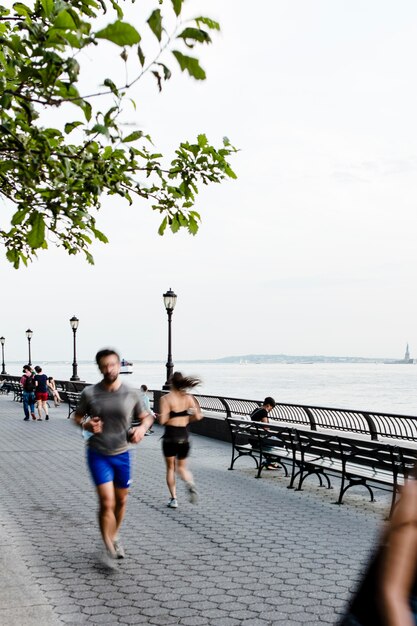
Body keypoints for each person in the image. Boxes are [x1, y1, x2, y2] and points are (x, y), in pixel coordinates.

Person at [73, 348, 154, 567]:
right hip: (98, 453)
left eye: (112, 365)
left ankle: (114, 534)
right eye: (104, 366)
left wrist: (141, 429)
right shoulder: (90, 393)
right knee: (106, 501)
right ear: (99, 367)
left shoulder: (132, 393)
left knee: (121, 500)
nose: (109, 369)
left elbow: (147, 417)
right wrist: (85, 424)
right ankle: (108, 545)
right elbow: (77, 417)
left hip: (122, 453)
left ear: (119, 365)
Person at [159, 371, 203, 509]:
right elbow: (198, 416)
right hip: (184, 437)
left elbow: (162, 420)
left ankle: (174, 499)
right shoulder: (189, 398)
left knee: (170, 469)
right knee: (182, 468)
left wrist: (165, 416)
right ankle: (190, 482)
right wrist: (185, 419)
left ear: (172, 383)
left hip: (170, 437)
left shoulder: (166, 399)